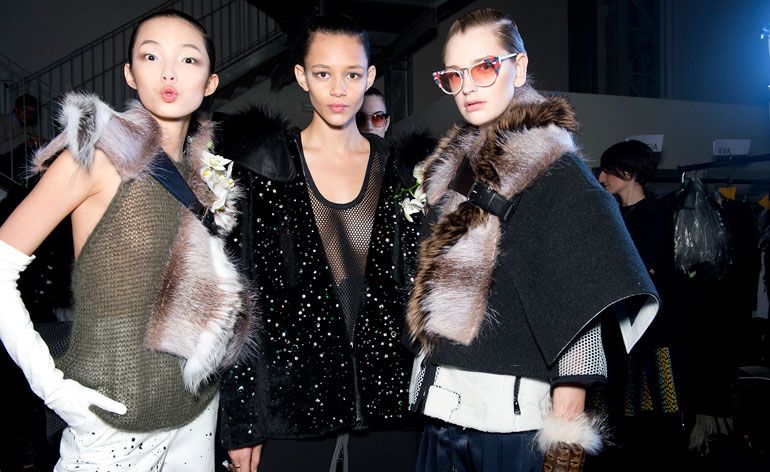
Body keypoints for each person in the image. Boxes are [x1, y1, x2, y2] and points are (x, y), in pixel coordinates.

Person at [406, 8, 660, 472]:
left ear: (518, 67)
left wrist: (567, 423)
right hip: (443, 405)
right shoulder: (457, 170)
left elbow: (580, 297)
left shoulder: (557, 171)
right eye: (454, 76)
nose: (468, 88)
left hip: (512, 417)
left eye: (484, 67)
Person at [0, 10, 253, 470]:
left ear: (210, 83)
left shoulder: (202, 175)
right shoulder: (97, 155)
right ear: (129, 74)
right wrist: (53, 386)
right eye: (151, 55)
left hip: (196, 414)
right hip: (111, 427)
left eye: (189, 60)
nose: (169, 72)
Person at [218, 14, 421, 472]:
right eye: (322, 74)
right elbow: (238, 302)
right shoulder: (263, 168)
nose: (337, 89)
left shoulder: (400, 172)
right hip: (292, 413)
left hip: (391, 411)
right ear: (301, 77)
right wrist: (242, 421)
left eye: (352, 74)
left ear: (369, 77)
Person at [598, 140, 685, 470]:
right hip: (615, 325)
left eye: (610, 169)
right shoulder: (610, 213)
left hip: (652, 327)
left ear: (630, 172)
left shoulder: (661, 213)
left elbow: (651, 268)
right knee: (619, 404)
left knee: (657, 403)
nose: (603, 176)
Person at [0, 94, 40, 181]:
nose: (28, 115)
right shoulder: (3, 122)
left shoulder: (28, 129)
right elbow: (1, 149)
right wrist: (25, 139)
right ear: (17, 108)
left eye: (32, 112)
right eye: (25, 110)